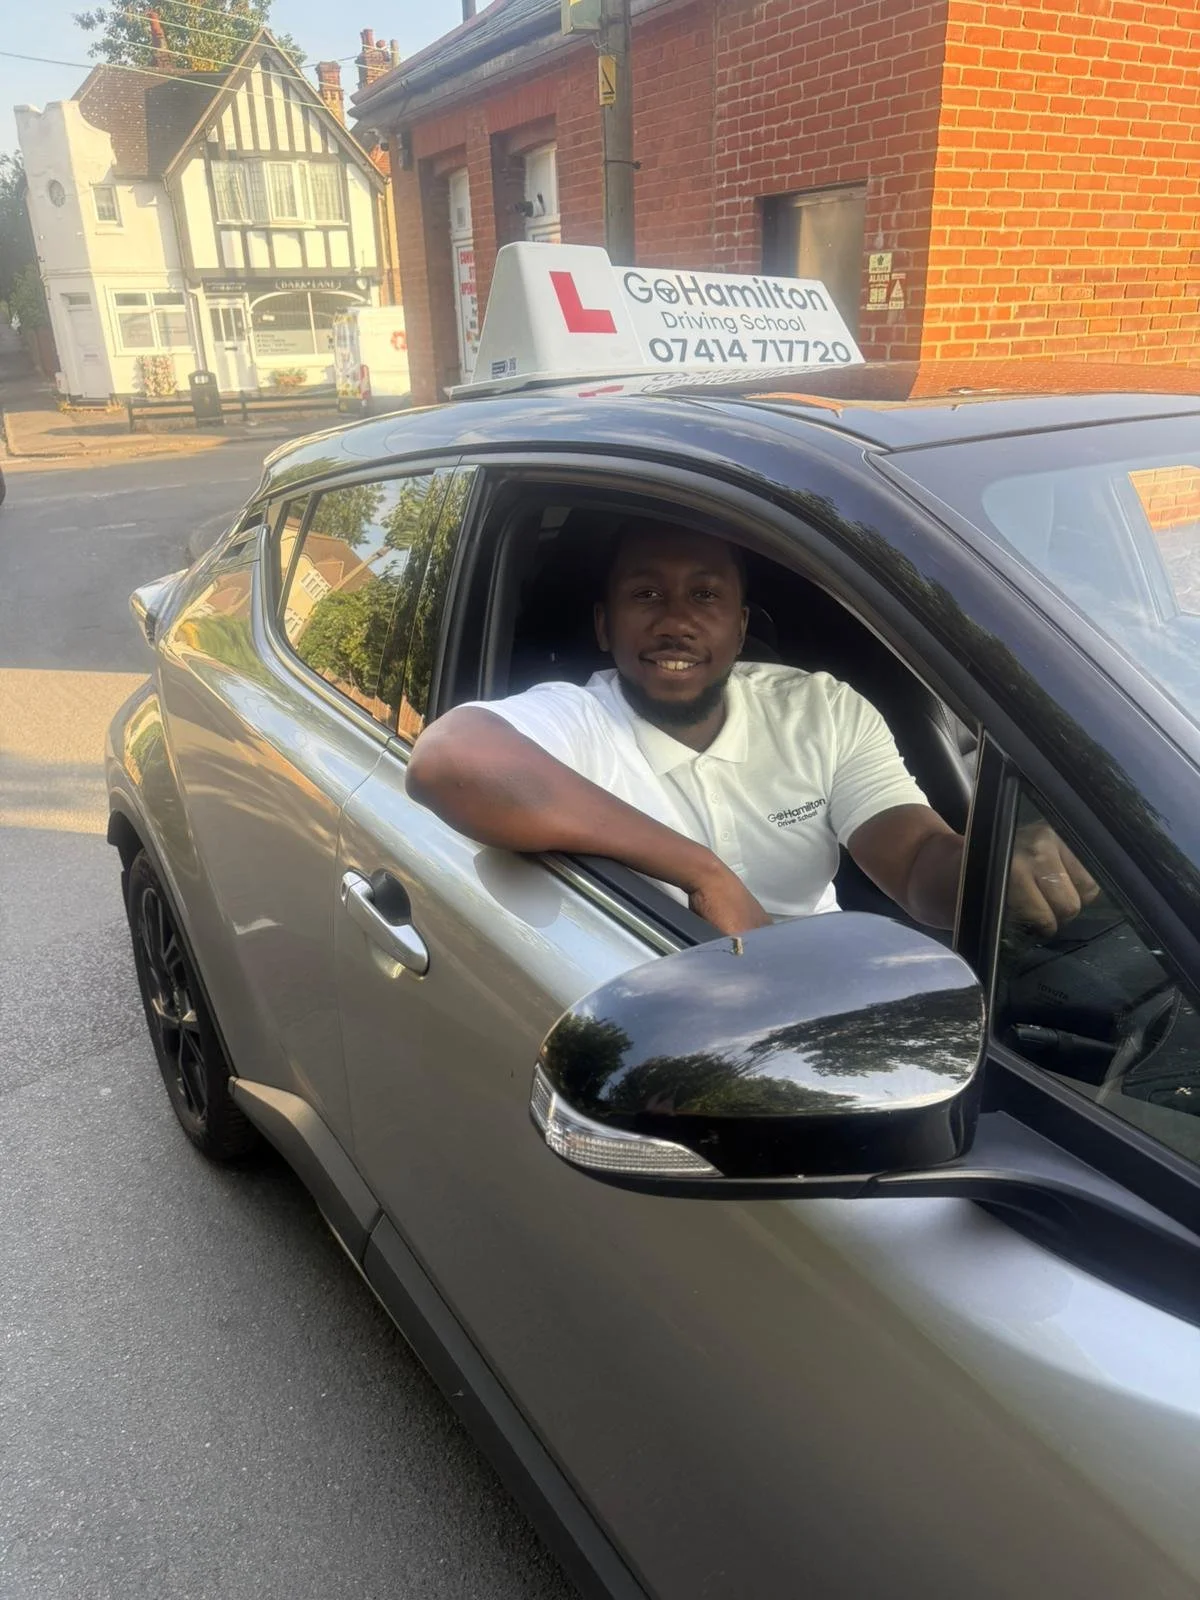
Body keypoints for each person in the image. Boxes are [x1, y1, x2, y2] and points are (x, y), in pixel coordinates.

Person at [407, 519, 1096, 936]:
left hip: (817, 999)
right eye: (645, 595)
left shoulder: (821, 710)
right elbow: (447, 759)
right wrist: (704, 873)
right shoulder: (579, 718)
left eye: (705, 595)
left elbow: (917, 865)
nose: (675, 619)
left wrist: (991, 871)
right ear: (603, 626)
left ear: (741, 627)